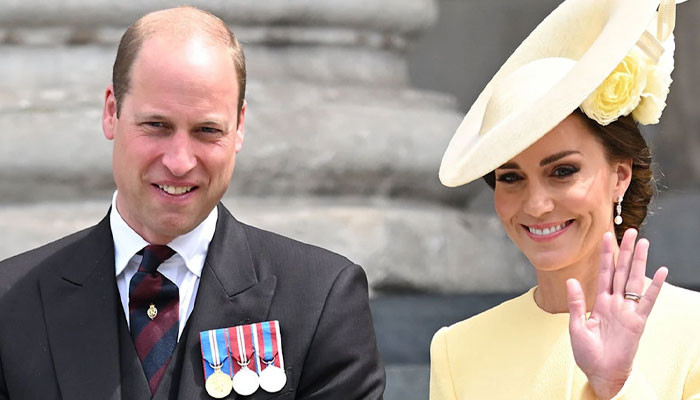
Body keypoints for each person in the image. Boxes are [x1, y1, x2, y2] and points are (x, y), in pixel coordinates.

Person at [0, 6, 385, 400]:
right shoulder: (10, 304)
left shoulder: (320, 300)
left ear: (239, 127)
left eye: (207, 130)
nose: (180, 162)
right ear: (112, 112)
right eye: (156, 125)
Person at [430, 0, 700, 398]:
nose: (536, 204)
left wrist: (616, 387)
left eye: (562, 171)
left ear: (620, 176)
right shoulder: (458, 351)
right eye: (510, 177)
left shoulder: (693, 332)